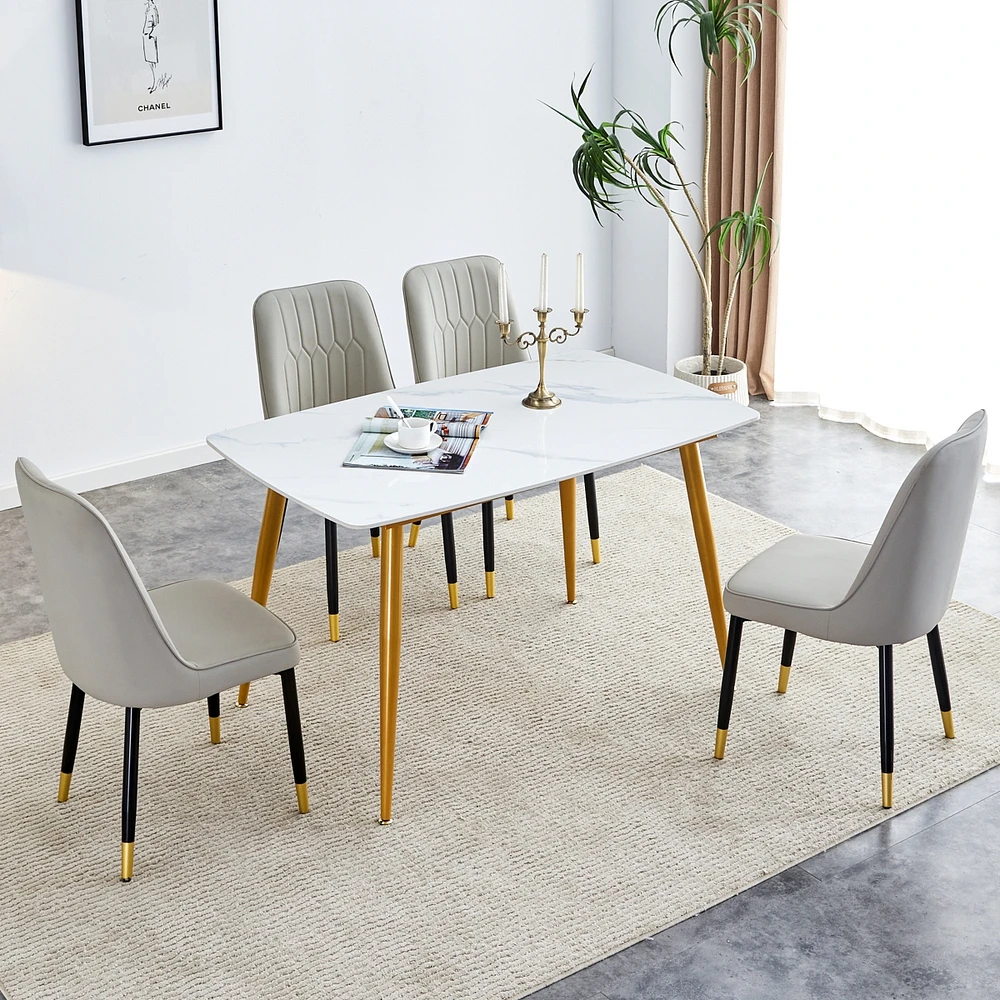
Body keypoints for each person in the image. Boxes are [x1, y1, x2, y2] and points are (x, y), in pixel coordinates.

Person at [142, 0, 160, 94]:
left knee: (153, 63)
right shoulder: (148, 9)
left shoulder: (153, 9)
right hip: (146, 37)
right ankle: (153, 83)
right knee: (150, 62)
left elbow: (156, 23)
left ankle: (155, 84)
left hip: (150, 37)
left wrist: (150, 34)